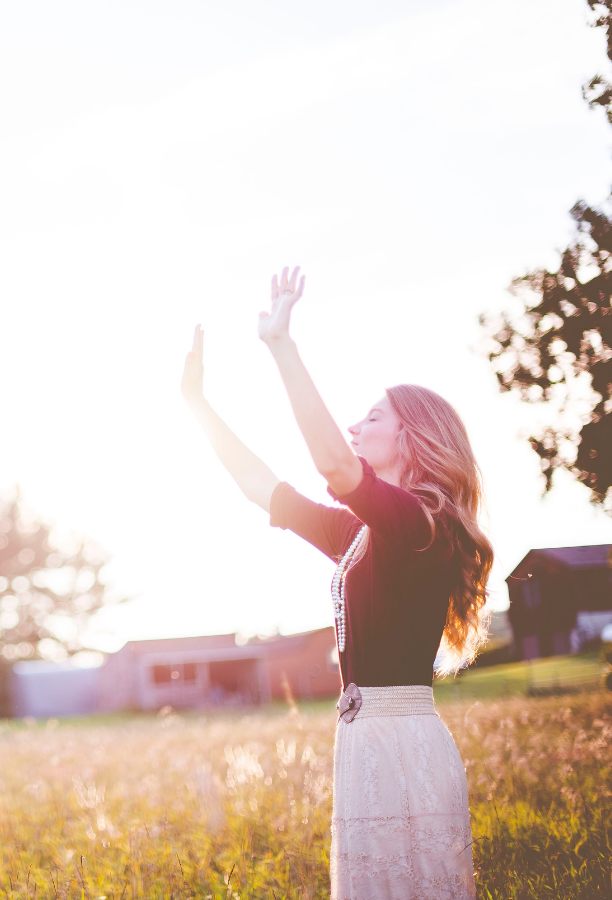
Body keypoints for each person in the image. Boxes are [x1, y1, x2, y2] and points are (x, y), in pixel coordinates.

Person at [181, 267, 490, 900]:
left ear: (411, 435)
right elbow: (263, 487)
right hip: (363, 743)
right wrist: (198, 405)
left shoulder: (422, 525)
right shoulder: (362, 531)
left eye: (372, 417)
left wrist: (281, 346)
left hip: (403, 745)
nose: (354, 427)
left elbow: (333, 463)